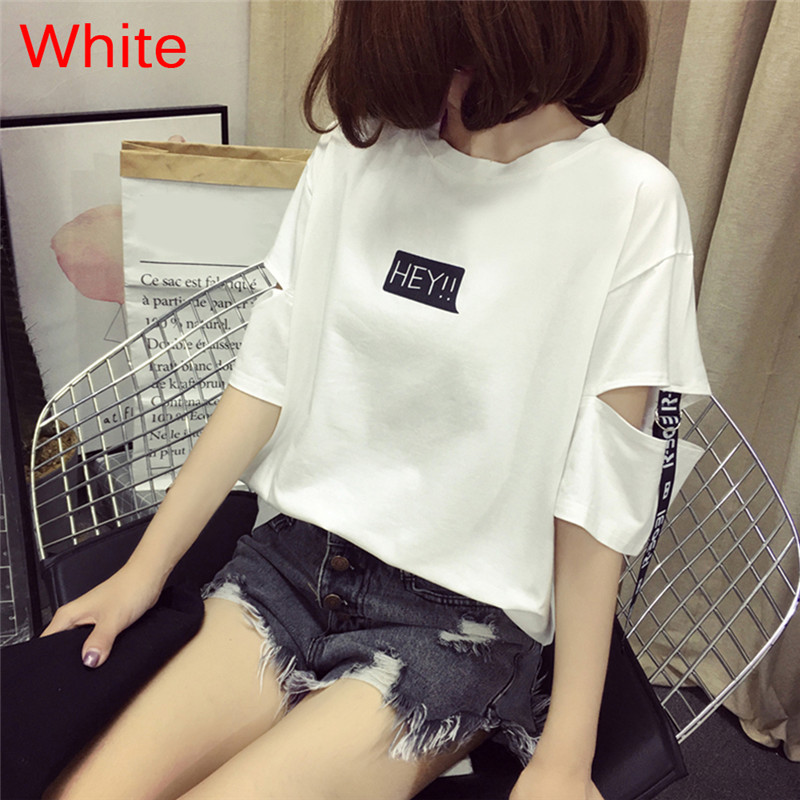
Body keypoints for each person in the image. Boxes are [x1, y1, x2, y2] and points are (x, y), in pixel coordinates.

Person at [43, 2, 710, 799]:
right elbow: (264, 382)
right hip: (293, 565)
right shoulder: (355, 155)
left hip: (458, 624)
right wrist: (144, 571)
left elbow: (599, 495)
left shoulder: (631, 202)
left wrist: (565, 756)